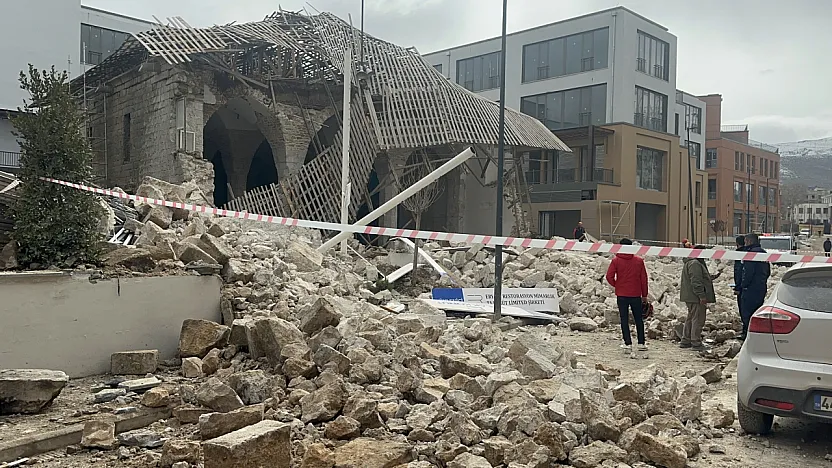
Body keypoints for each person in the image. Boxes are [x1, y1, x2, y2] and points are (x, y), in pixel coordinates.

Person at [605, 238, 649, 356]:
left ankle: (628, 344)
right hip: (635, 294)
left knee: (624, 319)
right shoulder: (639, 261)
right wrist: (644, 295)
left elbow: (609, 276)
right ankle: (641, 343)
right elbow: (644, 280)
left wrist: (617, 285)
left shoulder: (616, 261)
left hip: (622, 294)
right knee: (638, 319)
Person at [679, 245, 717, 351]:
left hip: (690, 296)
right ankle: (696, 342)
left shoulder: (692, 262)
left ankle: (686, 340)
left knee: (691, 318)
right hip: (695, 297)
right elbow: (696, 281)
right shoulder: (695, 264)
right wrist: (702, 296)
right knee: (698, 319)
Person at [738, 233, 770, 340]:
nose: (745, 244)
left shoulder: (751, 255)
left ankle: (748, 334)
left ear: (750, 242)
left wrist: (743, 285)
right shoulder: (764, 254)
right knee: (757, 311)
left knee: (747, 312)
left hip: (750, 289)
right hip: (761, 287)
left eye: (746, 241)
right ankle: (756, 333)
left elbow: (748, 273)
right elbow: (768, 272)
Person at [733, 235, 747, 337]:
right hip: (755, 287)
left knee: (744, 309)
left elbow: (739, 272)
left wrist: (738, 287)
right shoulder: (752, 252)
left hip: (743, 287)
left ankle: (745, 331)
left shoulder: (739, 254)